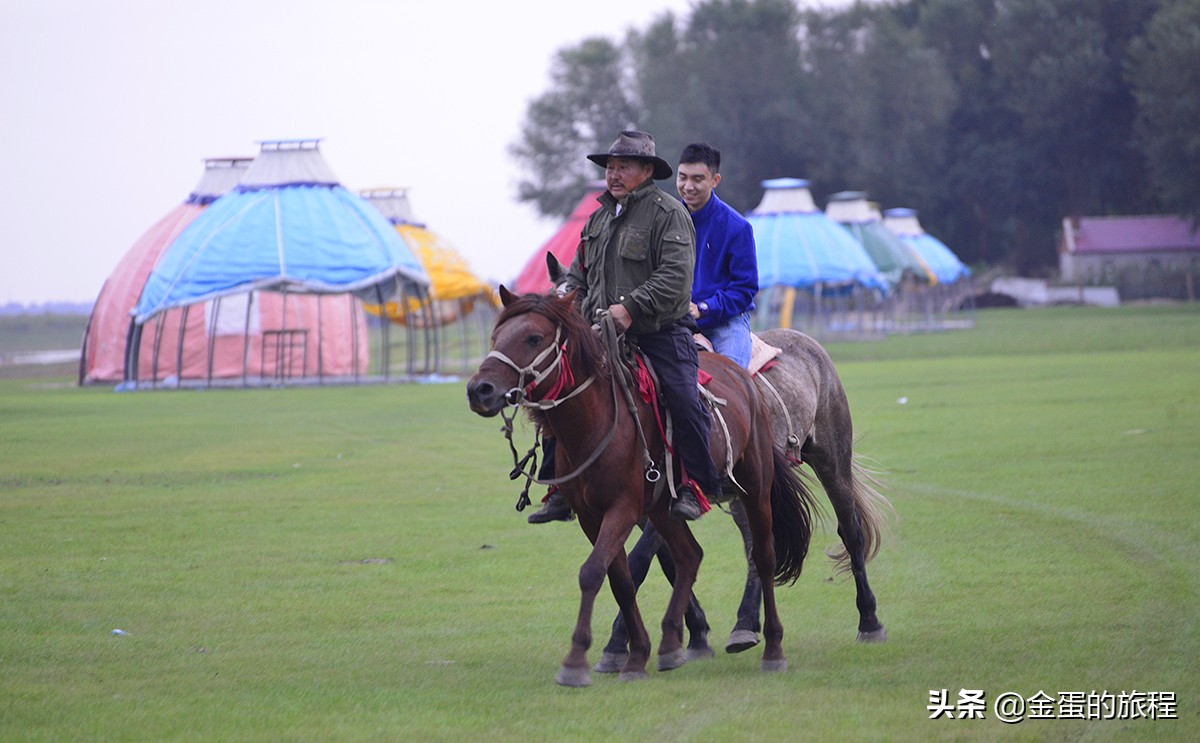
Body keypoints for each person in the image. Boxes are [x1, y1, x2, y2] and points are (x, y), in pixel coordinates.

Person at [526, 130, 720, 523]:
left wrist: (630, 308)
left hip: (661, 334)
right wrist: (563, 307)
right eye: (610, 167)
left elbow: (675, 278)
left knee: (683, 398)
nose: (613, 175)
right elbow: (579, 276)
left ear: (647, 171)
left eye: (623, 167)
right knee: (552, 390)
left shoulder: (669, 213)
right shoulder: (597, 219)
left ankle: (696, 485)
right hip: (600, 336)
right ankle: (560, 488)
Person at [676, 142, 758, 366]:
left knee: (732, 386)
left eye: (697, 179)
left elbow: (745, 289)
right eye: (682, 177)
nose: (688, 186)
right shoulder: (665, 222)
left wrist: (704, 308)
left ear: (715, 180)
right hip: (676, 321)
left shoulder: (737, 227)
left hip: (726, 323)